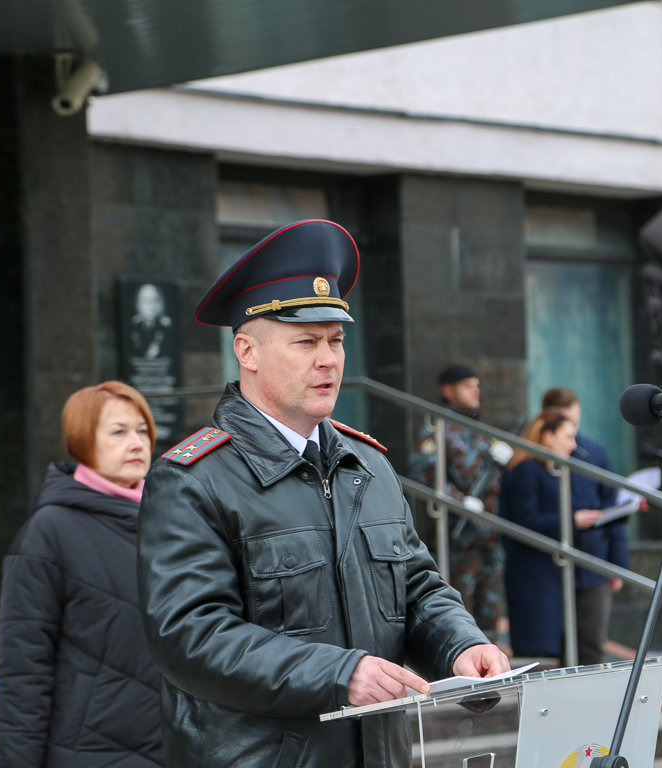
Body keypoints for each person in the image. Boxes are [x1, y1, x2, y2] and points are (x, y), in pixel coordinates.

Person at [137, 219, 509, 768]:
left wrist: (461, 643)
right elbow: (190, 635)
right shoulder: (193, 477)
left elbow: (417, 587)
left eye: (335, 340)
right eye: (306, 341)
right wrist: (339, 674)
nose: (328, 359)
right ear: (248, 350)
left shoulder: (369, 465)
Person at [0, 382, 164, 768]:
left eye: (142, 430)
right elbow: (24, 668)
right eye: (118, 432)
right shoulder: (50, 530)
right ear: (83, 442)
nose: (137, 443)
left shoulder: (173, 519)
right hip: (89, 753)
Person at [408, 364, 511, 642]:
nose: (476, 390)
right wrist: (459, 502)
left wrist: (504, 462)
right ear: (448, 391)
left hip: (488, 533)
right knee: (459, 603)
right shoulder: (437, 428)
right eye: (468, 385)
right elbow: (424, 473)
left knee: (490, 603)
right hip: (458, 536)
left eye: (476, 384)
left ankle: (491, 653)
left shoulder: (479, 428)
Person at [541, 386, 630, 667]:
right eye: (566, 424)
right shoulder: (531, 457)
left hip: (593, 564)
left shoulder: (593, 450)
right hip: (549, 568)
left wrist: (617, 564)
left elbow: (613, 508)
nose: (573, 434)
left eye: (576, 424)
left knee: (592, 646)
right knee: (553, 652)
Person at [497, 409, 584, 660]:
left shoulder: (549, 471)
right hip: (532, 575)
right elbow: (526, 521)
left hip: (546, 572)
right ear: (547, 436)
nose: (574, 444)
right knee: (537, 654)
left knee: (551, 650)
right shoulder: (526, 470)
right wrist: (573, 520)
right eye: (568, 437)